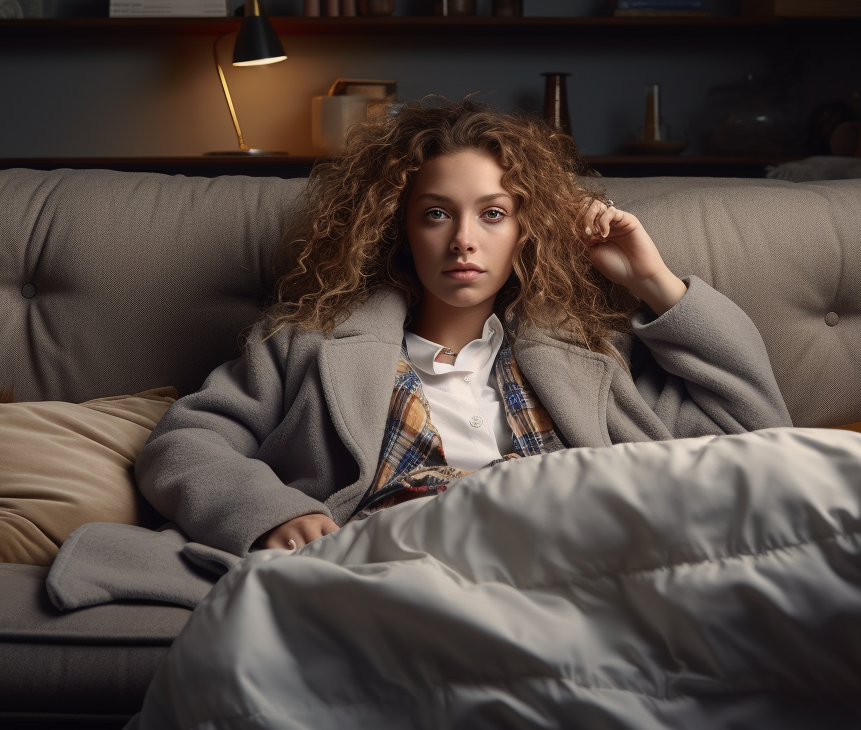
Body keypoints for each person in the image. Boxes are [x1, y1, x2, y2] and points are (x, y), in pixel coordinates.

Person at [134, 99, 792, 556]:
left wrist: (653, 281)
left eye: (493, 215)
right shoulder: (307, 346)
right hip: (394, 559)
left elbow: (764, 442)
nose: (464, 242)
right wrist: (275, 513)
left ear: (525, 230)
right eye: (437, 214)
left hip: (568, 553)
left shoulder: (595, 357)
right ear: (400, 227)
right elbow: (184, 444)